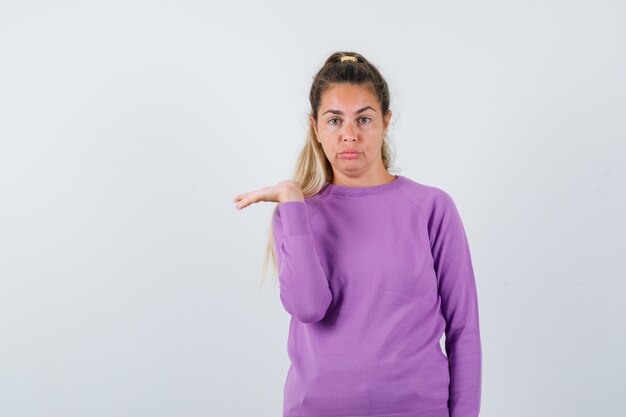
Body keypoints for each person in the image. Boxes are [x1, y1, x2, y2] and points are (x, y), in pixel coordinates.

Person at [233, 51, 482, 417]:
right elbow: (308, 307)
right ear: (315, 127)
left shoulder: (431, 208)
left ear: (385, 122)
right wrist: (291, 199)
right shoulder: (296, 213)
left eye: (363, 119)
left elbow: (464, 331)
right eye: (335, 120)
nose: (349, 135)